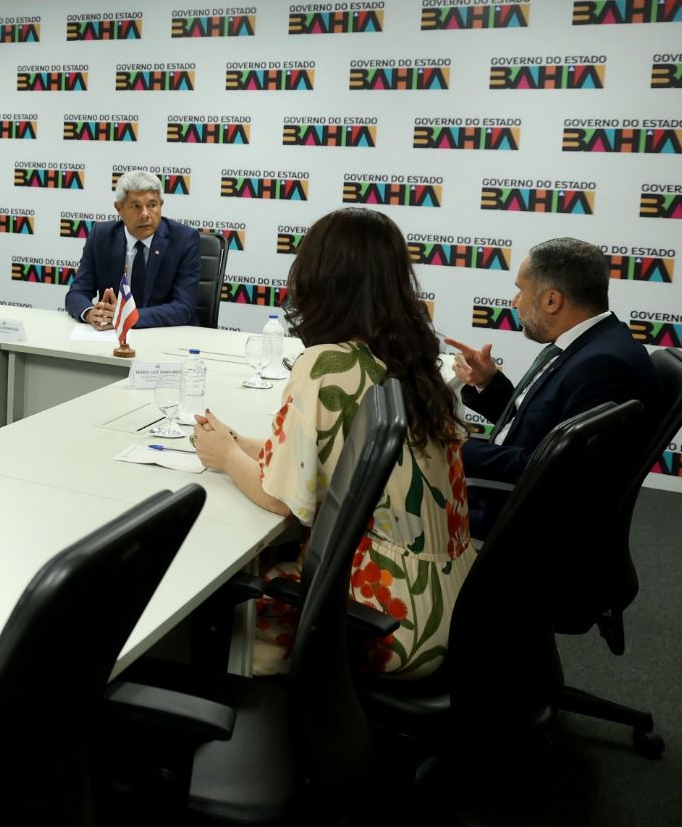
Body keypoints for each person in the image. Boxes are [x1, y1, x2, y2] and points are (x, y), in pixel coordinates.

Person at [193, 208, 473, 677]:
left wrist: (224, 457)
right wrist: (241, 442)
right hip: (460, 603)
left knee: (206, 603)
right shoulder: (410, 355)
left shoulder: (327, 365)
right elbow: (339, 452)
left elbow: (280, 500)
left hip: (385, 618)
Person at [445, 237, 659, 536]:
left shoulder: (605, 365)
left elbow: (552, 470)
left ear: (551, 300)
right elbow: (541, 424)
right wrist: (489, 383)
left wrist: (453, 449)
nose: (514, 302)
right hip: (515, 500)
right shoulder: (593, 345)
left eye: (520, 289)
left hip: (522, 523)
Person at [64, 169, 201, 329]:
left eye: (152, 205)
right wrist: (89, 313)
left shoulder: (184, 239)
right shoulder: (101, 236)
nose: (145, 214)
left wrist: (127, 317)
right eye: (136, 206)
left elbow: (183, 308)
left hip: (163, 334)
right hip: (111, 336)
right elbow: (77, 293)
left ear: (161, 205)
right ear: (119, 208)